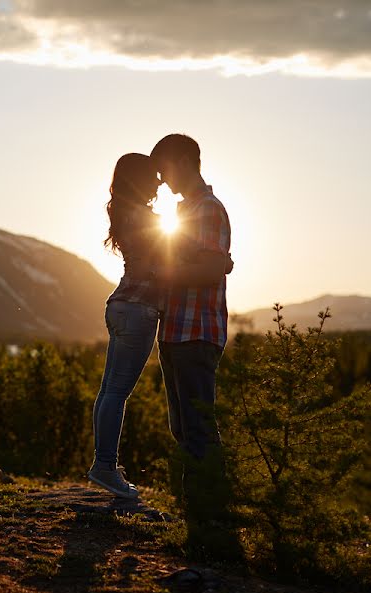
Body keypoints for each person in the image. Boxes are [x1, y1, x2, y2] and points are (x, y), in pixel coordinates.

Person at [88, 153, 232, 499]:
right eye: (152, 176)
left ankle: (103, 465)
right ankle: (105, 467)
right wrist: (219, 263)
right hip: (138, 310)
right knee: (117, 392)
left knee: (109, 390)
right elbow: (180, 253)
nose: (159, 182)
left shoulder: (127, 212)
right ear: (139, 179)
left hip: (121, 306)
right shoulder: (146, 219)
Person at [150, 133, 233, 523]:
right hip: (175, 333)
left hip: (196, 333)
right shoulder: (186, 212)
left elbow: (213, 269)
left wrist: (161, 274)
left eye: (165, 169)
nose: (163, 181)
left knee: (198, 427)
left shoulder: (208, 209)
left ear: (184, 161)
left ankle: (211, 516)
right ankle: (195, 510)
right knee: (182, 427)